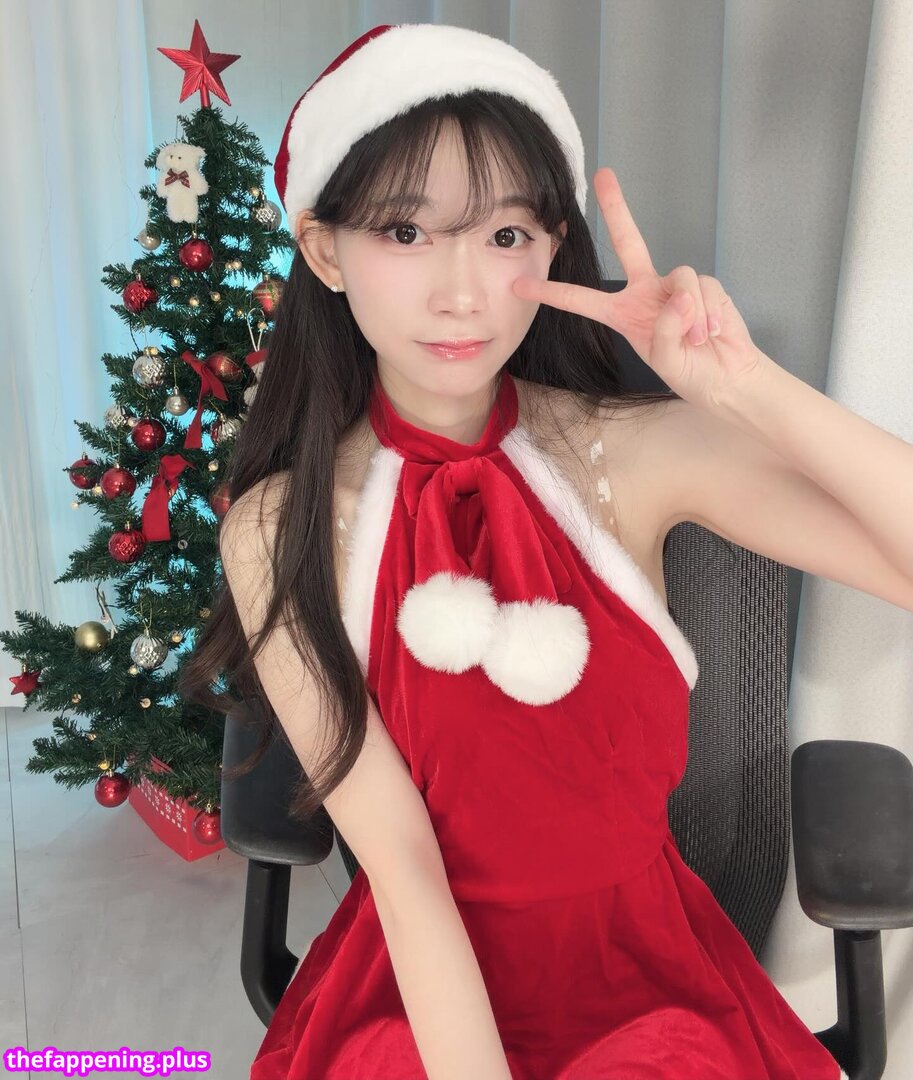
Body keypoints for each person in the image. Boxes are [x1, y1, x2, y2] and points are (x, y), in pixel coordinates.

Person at [179, 22, 847, 1080]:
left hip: (648, 978)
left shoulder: (626, 452)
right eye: (405, 231)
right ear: (325, 251)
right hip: (418, 983)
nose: (462, 294)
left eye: (504, 235)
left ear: (549, 245)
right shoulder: (280, 525)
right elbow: (402, 867)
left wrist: (748, 390)